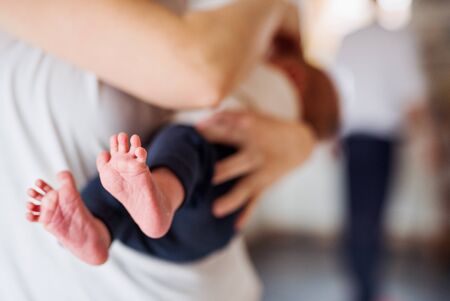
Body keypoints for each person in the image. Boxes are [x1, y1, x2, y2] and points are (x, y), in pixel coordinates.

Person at [0, 0, 338, 300]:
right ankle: (100, 229)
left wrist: (300, 142)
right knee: (149, 165)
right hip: (195, 229)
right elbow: (208, 69)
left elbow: (212, 69)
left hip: (202, 215)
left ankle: (142, 205)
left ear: (294, 74)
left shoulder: (267, 82)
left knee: (182, 144)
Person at [333, 1, 426, 300]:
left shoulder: (349, 39)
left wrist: (334, 136)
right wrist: (427, 139)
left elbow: (336, 94)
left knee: (356, 215)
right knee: (372, 218)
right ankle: (367, 291)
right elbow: (412, 97)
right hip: (380, 142)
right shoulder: (398, 39)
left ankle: (361, 288)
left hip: (353, 139)